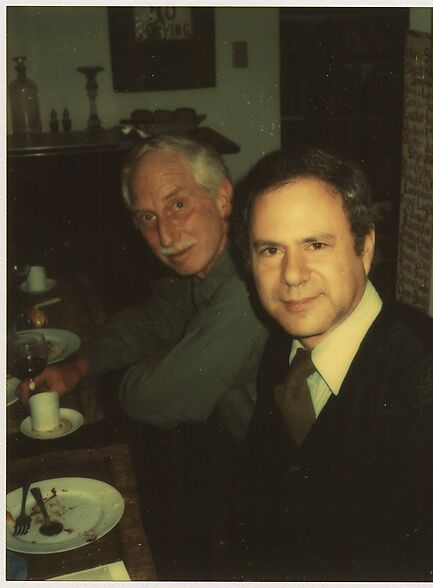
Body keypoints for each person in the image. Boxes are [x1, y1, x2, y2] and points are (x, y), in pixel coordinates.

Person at [230, 146, 433, 581]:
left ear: (366, 247)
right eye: (270, 251)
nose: (292, 274)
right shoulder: (286, 346)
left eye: (315, 244)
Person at [19, 135, 269, 579]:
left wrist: (150, 366)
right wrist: (79, 366)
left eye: (178, 206)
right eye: (147, 217)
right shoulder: (205, 267)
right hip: (238, 453)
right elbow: (147, 321)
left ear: (223, 197)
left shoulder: (246, 284)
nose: (166, 236)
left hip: (284, 480)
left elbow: (152, 400)